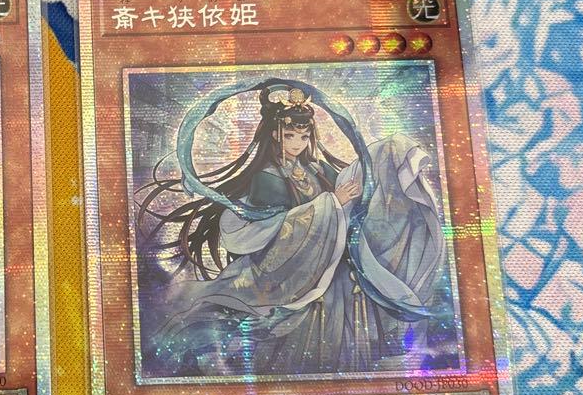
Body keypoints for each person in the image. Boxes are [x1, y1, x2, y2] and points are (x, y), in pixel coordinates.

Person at [137, 82, 446, 376]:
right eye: (290, 136)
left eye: (303, 136)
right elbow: (279, 229)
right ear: (275, 135)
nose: (297, 143)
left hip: (330, 263)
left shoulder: (316, 169)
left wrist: (380, 169)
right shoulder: (267, 177)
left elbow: (348, 194)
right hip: (289, 270)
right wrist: (331, 203)